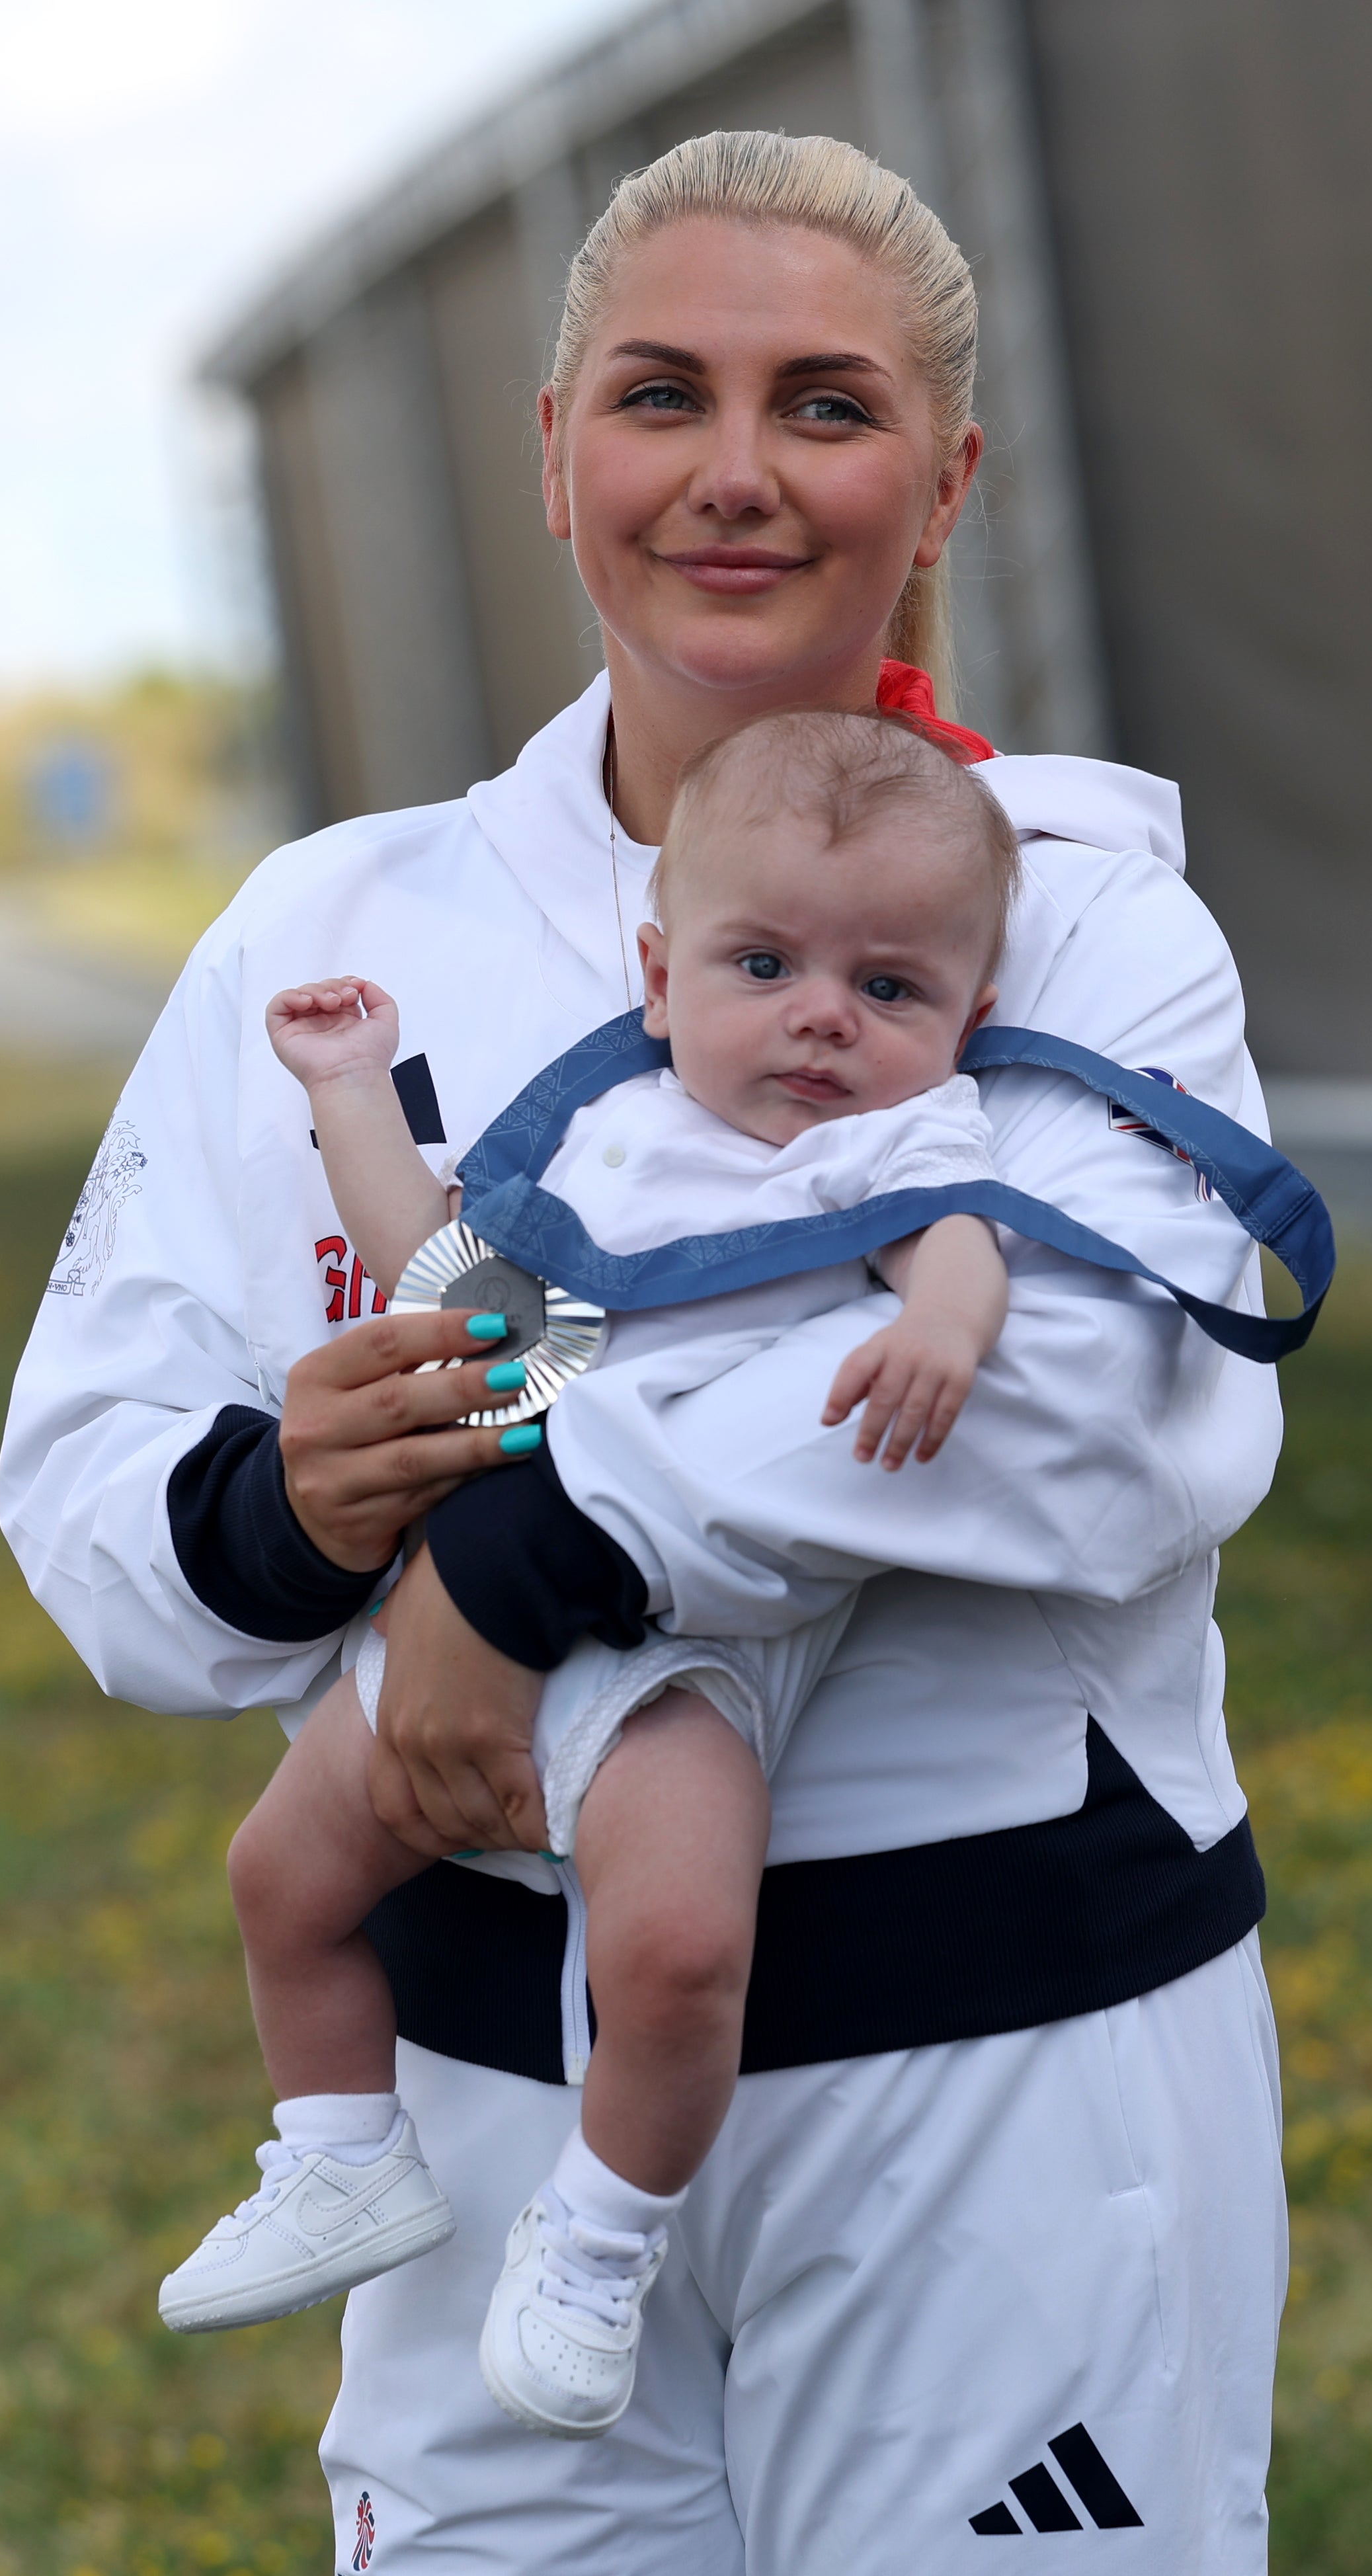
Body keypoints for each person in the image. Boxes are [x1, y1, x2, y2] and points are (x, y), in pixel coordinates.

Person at [1, 128, 1289, 2573]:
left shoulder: (1093, 926)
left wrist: (523, 1556)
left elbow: (1124, 1415)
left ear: (944, 483)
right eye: (658, 396)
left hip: (992, 2058)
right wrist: (302, 1498)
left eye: (823, 407)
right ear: (553, 447)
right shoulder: (337, 922)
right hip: (488, 2083)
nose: (730, 476)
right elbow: (95, 1490)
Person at [155, 710, 1024, 2447]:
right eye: (762, 961)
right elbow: (449, 1281)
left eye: (890, 988)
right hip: (467, 1595)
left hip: (664, 1651)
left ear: (966, 1023)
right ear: (658, 976)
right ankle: (338, 2153)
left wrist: (941, 1318)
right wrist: (346, 1092)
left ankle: (599, 2239)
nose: (821, 1017)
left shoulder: (878, 1151)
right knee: (282, 1875)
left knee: (683, 1947)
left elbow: (965, 1233)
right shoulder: (608, 1145)